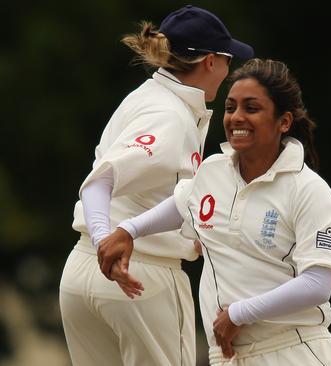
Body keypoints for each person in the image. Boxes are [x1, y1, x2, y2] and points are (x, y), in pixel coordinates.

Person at [97, 58, 331, 366]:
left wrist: (238, 313)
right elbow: (181, 205)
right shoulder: (212, 171)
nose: (236, 118)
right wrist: (129, 231)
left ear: (284, 122)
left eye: (251, 108)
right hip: (228, 356)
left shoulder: (308, 190)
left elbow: (317, 284)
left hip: (293, 351)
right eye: (231, 108)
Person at [59, 5, 253, 366]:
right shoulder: (170, 115)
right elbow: (99, 182)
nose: (229, 71)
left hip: (82, 271)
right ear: (210, 61)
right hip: (139, 273)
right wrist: (106, 243)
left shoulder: (145, 98)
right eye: (227, 60)